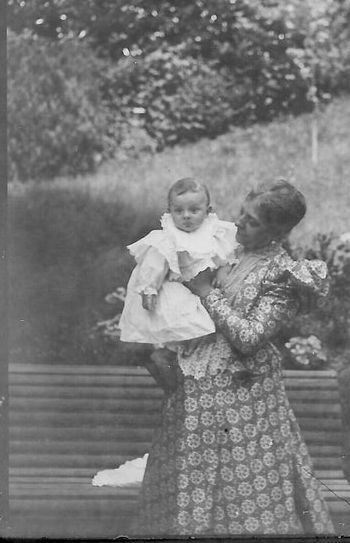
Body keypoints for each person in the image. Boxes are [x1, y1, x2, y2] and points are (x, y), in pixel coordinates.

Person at [133, 178, 335, 536]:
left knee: (242, 494)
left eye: (253, 220)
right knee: (188, 484)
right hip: (196, 390)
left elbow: (249, 337)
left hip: (245, 399)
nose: (240, 222)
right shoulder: (227, 248)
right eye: (242, 212)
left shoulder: (281, 275)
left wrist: (207, 292)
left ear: (278, 231)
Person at [118, 177, 237, 386]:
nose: (186, 216)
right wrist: (149, 288)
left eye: (194, 210)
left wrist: (223, 271)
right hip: (178, 287)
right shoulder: (168, 236)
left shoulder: (213, 231)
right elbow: (154, 263)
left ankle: (181, 366)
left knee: (204, 328)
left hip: (201, 287)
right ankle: (166, 357)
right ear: (169, 210)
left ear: (207, 210)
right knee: (183, 322)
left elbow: (225, 254)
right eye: (179, 211)